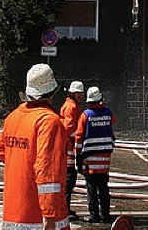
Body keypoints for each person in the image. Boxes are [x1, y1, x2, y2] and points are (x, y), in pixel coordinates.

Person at [0, 63, 69, 230]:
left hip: (12, 216)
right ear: (52, 91)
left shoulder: (13, 117)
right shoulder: (49, 121)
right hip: (38, 218)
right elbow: (47, 171)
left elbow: (0, 152)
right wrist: (49, 216)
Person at [75, 86, 116, 224]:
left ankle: (94, 215)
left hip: (90, 159)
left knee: (91, 189)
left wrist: (78, 157)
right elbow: (112, 123)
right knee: (104, 188)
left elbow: (79, 137)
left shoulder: (85, 115)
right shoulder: (109, 112)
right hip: (105, 159)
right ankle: (106, 215)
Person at [60, 80, 85, 220]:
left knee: (69, 181)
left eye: (81, 93)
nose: (80, 96)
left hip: (68, 148)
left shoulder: (70, 105)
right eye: (78, 93)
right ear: (72, 93)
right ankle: (65, 211)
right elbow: (69, 128)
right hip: (68, 149)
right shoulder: (71, 107)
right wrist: (81, 135)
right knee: (69, 181)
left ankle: (66, 209)